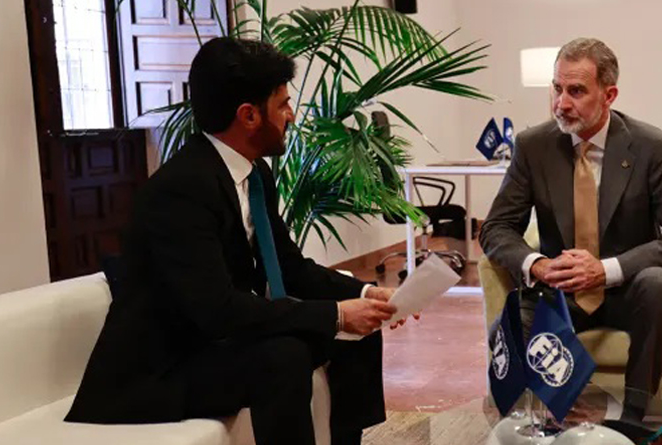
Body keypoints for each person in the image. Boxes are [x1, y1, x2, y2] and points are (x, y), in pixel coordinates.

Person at [66, 37, 410, 445]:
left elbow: (290, 268)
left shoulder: (255, 176)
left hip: (211, 343)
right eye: (282, 105)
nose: (292, 116)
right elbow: (218, 310)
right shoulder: (181, 189)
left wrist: (367, 295)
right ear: (248, 116)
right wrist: (335, 314)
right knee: (282, 357)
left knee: (356, 336)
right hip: (160, 369)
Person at [480, 37, 662, 415]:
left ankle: (636, 416)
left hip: (628, 287)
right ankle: (535, 428)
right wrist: (536, 264)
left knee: (660, 286)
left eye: (576, 91)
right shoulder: (534, 146)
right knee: (511, 327)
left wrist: (604, 270)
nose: (560, 103)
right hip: (560, 289)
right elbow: (496, 227)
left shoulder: (652, 147)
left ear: (609, 94)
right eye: (557, 88)